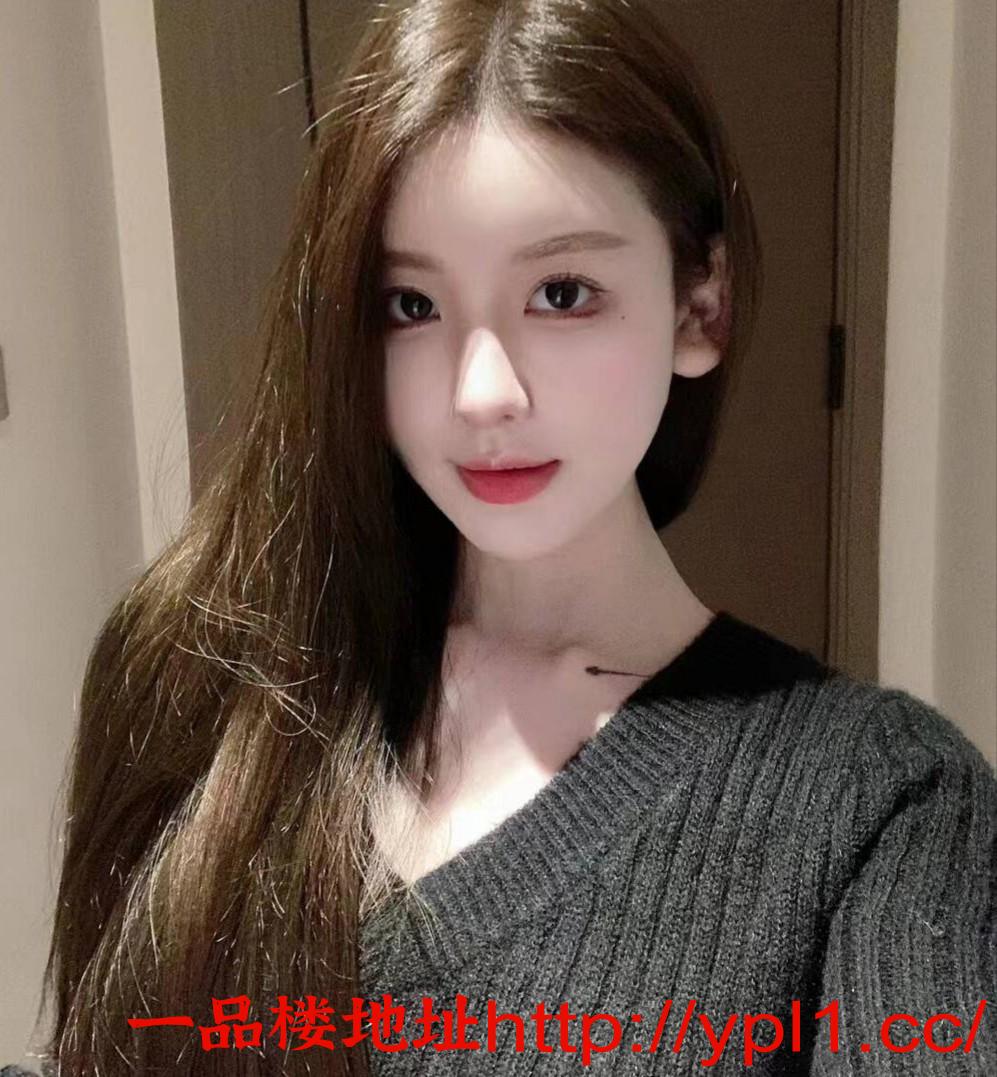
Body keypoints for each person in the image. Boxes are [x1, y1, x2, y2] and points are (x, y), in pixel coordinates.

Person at [8, 0, 993, 1074]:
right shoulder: (195, 673)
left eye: (561, 293)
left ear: (699, 306)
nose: (482, 392)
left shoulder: (879, 804)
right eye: (410, 305)